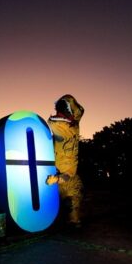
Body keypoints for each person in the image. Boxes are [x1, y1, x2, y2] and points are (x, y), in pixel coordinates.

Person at [46, 94, 84, 227]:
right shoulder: (64, 131)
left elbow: (68, 175)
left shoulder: (70, 129)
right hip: (58, 178)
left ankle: (74, 221)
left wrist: (56, 179)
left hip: (67, 182)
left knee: (71, 203)